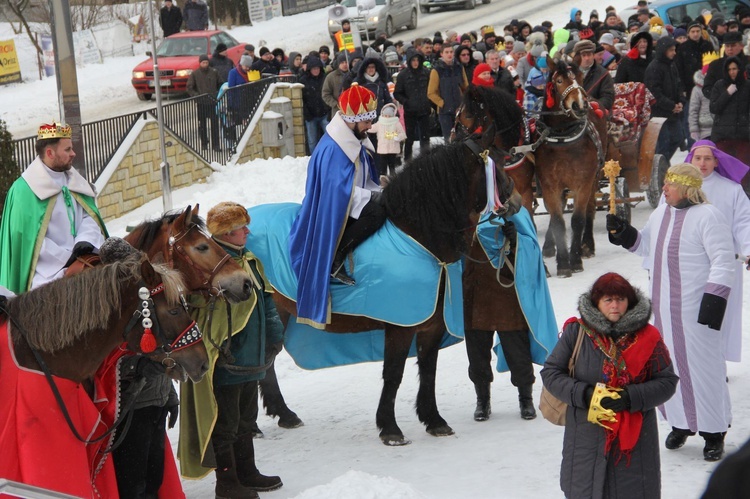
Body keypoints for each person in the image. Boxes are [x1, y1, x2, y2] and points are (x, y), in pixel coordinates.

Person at [607, 163, 736, 461]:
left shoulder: (708, 217)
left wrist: (714, 302)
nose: (663, 188)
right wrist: (624, 233)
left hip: (697, 311)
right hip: (664, 310)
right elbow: (645, 247)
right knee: (669, 367)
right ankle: (681, 423)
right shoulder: (661, 213)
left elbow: (723, 261)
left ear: (687, 189)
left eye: (670, 184)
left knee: (704, 369)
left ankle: (713, 432)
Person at [540, 273, 678, 498]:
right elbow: (552, 373)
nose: (615, 305)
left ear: (630, 302)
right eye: (608, 300)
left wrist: (630, 397)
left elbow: (667, 381)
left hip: (635, 447)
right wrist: (584, 394)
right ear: (597, 303)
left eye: (621, 299)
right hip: (585, 438)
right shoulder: (576, 332)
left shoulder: (649, 337)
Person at [179, 202, 284, 499]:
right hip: (227, 358)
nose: (247, 231)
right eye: (241, 227)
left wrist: (274, 334)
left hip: (252, 357)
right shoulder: (212, 266)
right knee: (225, 421)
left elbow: (265, 301)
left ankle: (247, 471)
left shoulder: (249, 259)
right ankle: (226, 483)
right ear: (226, 232)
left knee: (246, 417)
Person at [288, 84, 385, 327]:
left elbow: (359, 180)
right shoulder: (334, 148)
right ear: (351, 120)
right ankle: (335, 257)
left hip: (350, 199)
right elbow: (339, 194)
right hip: (332, 209)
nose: (369, 127)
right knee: (376, 213)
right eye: (366, 121)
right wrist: (373, 198)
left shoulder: (351, 137)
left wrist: (380, 190)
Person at [0, 122, 107, 294]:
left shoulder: (74, 180)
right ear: (50, 153)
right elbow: (29, 241)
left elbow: (89, 215)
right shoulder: (24, 191)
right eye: (67, 150)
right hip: (45, 275)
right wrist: (67, 258)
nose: (73, 153)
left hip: (84, 260)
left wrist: (85, 240)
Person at [684, 141, 750, 363]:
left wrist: (749, 249)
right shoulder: (678, 189)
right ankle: (692, 359)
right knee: (690, 313)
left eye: (708, 158)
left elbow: (744, 222)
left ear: (716, 161)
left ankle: (717, 361)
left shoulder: (731, 189)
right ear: (690, 160)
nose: (702, 163)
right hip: (688, 263)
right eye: (698, 158)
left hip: (723, 263)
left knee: (721, 313)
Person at [645, 36, 686, 162]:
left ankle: (663, 163)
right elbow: (654, 93)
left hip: (672, 112)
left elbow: (678, 85)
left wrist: (680, 102)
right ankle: (659, 167)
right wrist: (671, 105)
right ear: (664, 50)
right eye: (671, 50)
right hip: (659, 113)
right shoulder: (654, 68)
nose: (674, 53)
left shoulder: (672, 65)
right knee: (663, 142)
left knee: (678, 138)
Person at [709, 56, 750, 166]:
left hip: (743, 136)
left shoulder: (747, 86)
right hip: (723, 136)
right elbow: (713, 108)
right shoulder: (719, 85)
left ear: (740, 70)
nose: (732, 72)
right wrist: (727, 94)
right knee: (724, 169)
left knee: (743, 170)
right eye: (729, 69)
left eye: (734, 69)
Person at [393, 48, 431, 161]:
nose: (415, 62)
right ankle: (408, 160)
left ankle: (426, 160)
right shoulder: (403, 75)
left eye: (417, 60)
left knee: (425, 138)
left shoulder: (426, 73)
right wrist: (406, 102)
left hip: (424, 109)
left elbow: (432, 89)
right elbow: (397, 93)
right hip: (410, 111)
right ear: (409, 61)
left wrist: (430, 103)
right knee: (409, 138)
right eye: (413, 60)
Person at [427, 44, 468, 143]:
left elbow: (466, 86)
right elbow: (431, 93)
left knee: (464, 139)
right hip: (445, 112)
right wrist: (442, 103)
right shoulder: (436, 70)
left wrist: (465, 101)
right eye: (446, 52)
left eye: (451, 52)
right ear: (441, 54)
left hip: (460, 109)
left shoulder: (459, 67)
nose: (449, 54)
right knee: (450, 141)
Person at [187, 54, 221, 150]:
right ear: (200, 63)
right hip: (201, 103)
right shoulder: (195, 74)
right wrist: (197, 96)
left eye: (206, 62)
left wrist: (217, 95)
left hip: (213, 102)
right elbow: (190, 87)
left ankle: (216, 144)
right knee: (202, 125)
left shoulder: (214, 72)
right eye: (203, 62)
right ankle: (204, 143)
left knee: (214, 124)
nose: (205, 64)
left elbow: (220, 83)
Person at [299, 56, 330, 153]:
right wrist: (307, 113)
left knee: (330, 136)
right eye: (314, 69)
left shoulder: (325, 78)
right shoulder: (303, 80)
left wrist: (327, 109)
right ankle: (314, 157)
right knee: (312, 140)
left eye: (318, 68)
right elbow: (301, 99)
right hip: (310, 115)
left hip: (324, 113)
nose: (316, 70)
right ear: (309, 69)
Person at [575, 39, 615, 112]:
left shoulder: (603, 74)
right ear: (577, 57)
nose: (586, 58)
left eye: (589, 55)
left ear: (593, 55)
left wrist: (592, 106)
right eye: (583, 55)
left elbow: (608, 98)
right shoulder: (570, 73)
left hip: (596, 113)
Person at [367, 102, 405, 176]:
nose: (387, 117)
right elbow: (372, 128)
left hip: (393, 149)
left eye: (389, 116)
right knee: (383, 167)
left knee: (392, 166)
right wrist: (365, 127)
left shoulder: (396, 123)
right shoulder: (380, 122)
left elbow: (402, 134)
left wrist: (397, 137)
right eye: (385, 115)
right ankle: (383, 179)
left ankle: (392, 178)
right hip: (382, 149)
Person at [322, 53, 349, 118]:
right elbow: (325, 94)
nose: (345, 64)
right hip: (337, 112)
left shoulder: (353, 75)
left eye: (346, 62)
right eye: (342, 62)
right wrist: (335, 104)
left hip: (352, 111)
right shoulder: (331, 77)